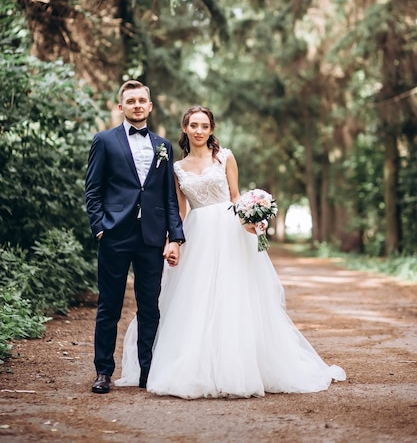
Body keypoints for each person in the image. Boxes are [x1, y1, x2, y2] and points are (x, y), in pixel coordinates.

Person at [116, 106, 346, 398]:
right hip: (198, 234)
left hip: (229, 232)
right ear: (185, 129)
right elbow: (181, 211)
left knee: (234, 296)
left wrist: (251, 222)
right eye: (194, 125)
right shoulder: (176, 168)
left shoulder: (225, 157)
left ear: (211, 130)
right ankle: (196, 368)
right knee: (196, 298)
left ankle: (241, 368)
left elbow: (235, 197)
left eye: (205, 126)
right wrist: (174, 242)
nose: (199, 131)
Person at [85, 80, 185, 394]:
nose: (137, 105)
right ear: (121, 107)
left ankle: (147, 372)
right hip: (115, 233)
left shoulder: (163, 146)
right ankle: (103, 372)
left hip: (152, 236)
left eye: (142, 100)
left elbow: (169, 196)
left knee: (149, 307)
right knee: (109, 305)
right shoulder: (104, 141)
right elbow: (93, 191)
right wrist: (100, 227)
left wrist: (175, 237)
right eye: (131, 101)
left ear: (150, 106)